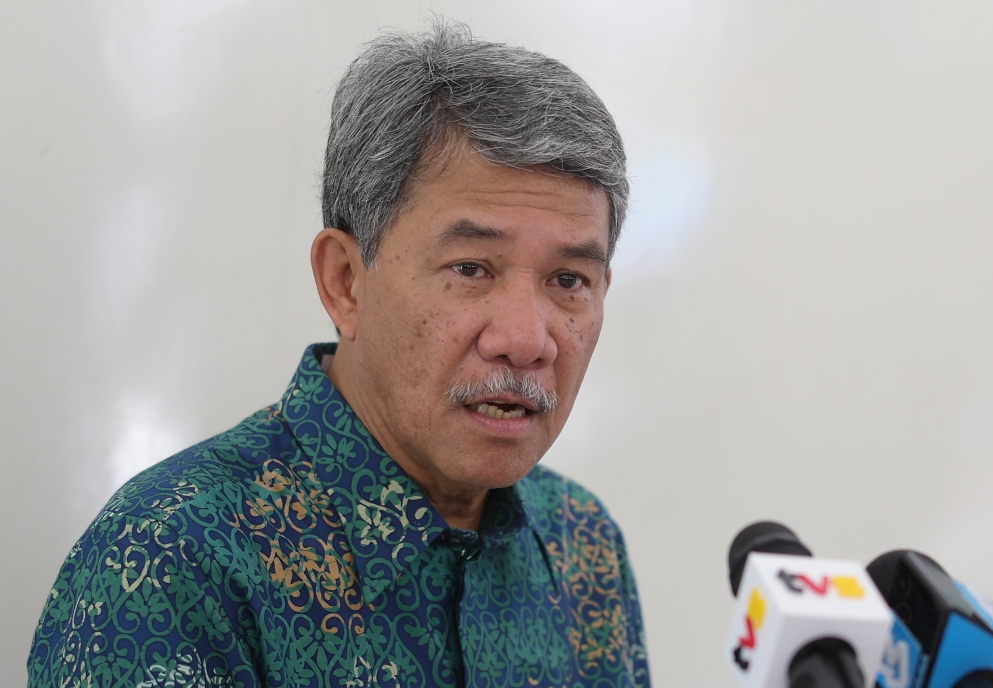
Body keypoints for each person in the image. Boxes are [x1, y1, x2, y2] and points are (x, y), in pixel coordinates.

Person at [28, 21, 648, 688]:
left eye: (568, 281)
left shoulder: (583, 544)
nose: (527, 340)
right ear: (345, 282)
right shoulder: (172, 560)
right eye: (471, 268)